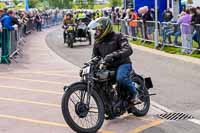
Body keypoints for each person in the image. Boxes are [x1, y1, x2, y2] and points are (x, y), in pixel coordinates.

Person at [90, 17, 139, 105]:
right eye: (95, 30)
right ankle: (111, 102)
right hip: (108, 67)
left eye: (98, 30)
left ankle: (135, 93)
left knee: (121, 78)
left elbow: (128, 49)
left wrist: (113, 55)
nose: (96, 32)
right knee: (99, 82)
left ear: (105, 29)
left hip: (123, 64)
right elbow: (95, 57)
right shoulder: (98, 42)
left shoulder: (118, 36)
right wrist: (90, 64)